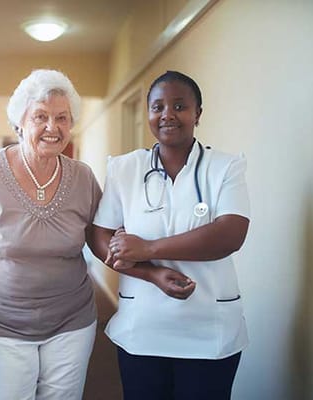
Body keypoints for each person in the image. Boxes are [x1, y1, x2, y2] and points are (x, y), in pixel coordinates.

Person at [88, 70, 250, 399]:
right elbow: (98, 236)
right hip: (143, 330)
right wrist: (152, 273)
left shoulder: (225, 168)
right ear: (148, 113)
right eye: (157, 107)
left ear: (198, 114)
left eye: (179, 106)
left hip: (209, 332)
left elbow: (230, 234)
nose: (167, 115)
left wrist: (146, 247)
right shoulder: (125, 169)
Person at [0, 69, 102, 400]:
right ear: (20, 124)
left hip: (72, 321)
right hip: (2, 323)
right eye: (40, 117)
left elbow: (99, 236)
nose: (52, 127)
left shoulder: (83, 177)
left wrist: (138, 253)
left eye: (62, 118)